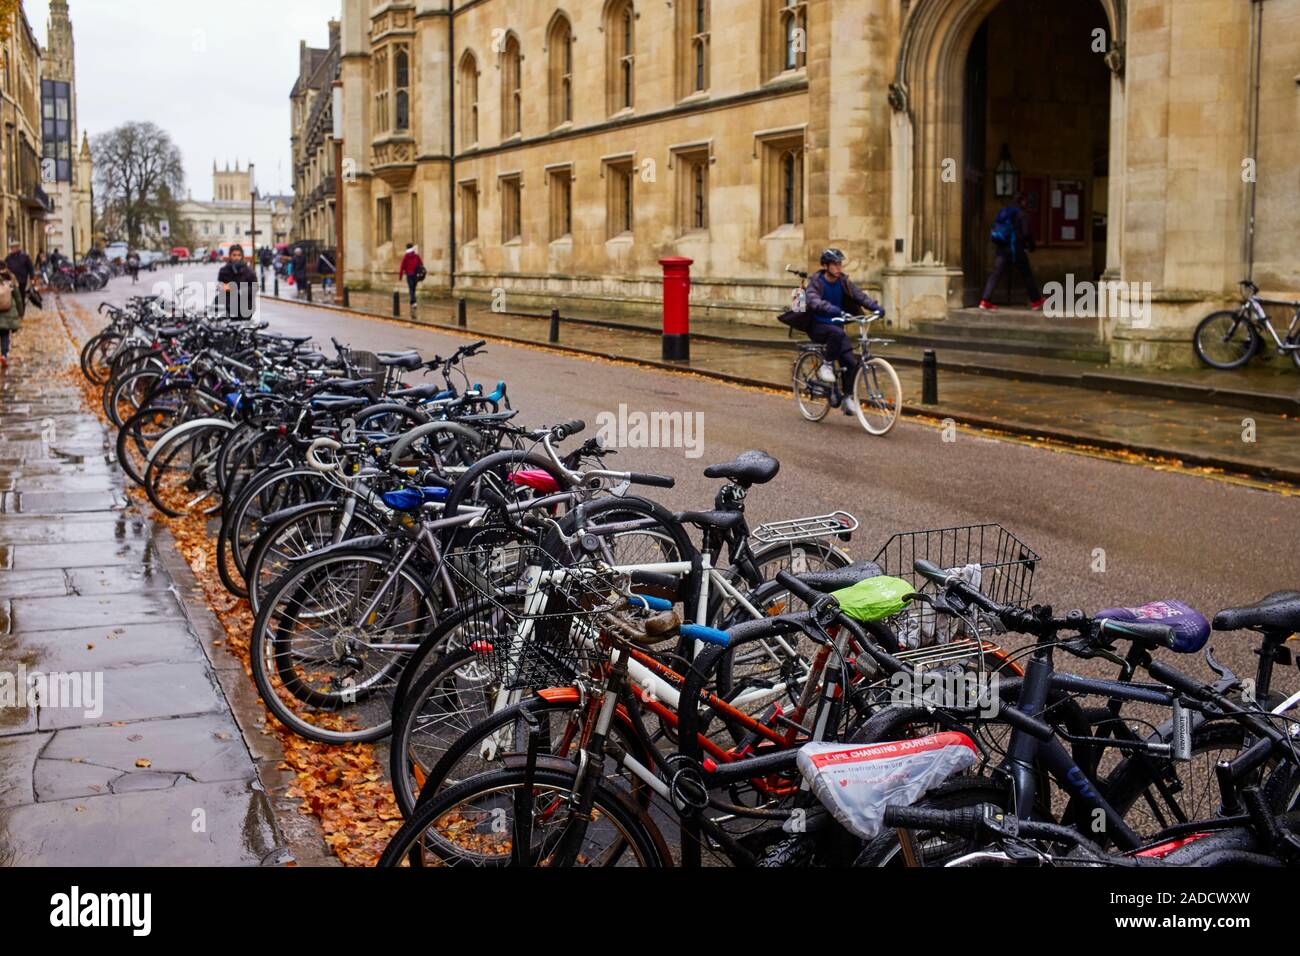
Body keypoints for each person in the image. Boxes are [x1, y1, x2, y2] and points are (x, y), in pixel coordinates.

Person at [804, 248, 883, 416]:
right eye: (834, 264)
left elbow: (860, 296)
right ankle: (826, 365)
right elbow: (813, 300)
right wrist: (830, 308)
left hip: (837, 327)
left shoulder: (843, 282)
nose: (838, 267)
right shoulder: (816, 282)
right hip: (818, 325)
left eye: (840, 264)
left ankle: (848, 398)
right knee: (837, 334)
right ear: (825, 266)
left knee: (851, 362)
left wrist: (876, 308)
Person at [979, 193, 1046, 311]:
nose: (1026, 204)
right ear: (1022, 202)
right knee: (1027, 275)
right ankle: (1036, 301)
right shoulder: (1022, 214)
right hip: (1016, 249)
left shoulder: (1004, 212)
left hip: (1002, 249)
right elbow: (1026, 234)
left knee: (995, 274)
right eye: (1025, 201)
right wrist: (1031, 247)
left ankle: (984, 301)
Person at [217, 244, 258, 319]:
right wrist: (223, 287)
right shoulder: (223, 270)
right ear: (230, 256)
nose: (236, 257)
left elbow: (255, 287)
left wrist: (241, 291)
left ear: (242, 256)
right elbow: (220, 285)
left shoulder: (248, 271)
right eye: (234, 255)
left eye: (239, 255)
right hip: (229, 307)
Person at [0, 265, 22, 370]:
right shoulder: (10, 280)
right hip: (8, 313)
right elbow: (18, 297)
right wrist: (20, 313)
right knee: (5, 336)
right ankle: (4, 355)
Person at [5, 241, 34, 319]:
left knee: (21, 297)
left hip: (22, 280)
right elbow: (5, 267)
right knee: (12, 298)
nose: (13, 249)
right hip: (11, 281)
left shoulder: (24, 256)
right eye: (12, 248)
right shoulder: (8, 258)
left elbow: (30, 267)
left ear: (18, 247)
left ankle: (21, 314)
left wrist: (32, 278)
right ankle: (14, 313)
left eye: (14, 247)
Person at [399, 243, 424, 314]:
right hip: (415, 275)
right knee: (413, 288)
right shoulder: (416, 256)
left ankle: (413, 302)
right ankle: (412, 301)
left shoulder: (405, 257)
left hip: (409, 275)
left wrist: (400, 276)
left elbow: (402, 267)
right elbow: (421, 264)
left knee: (411, 288)